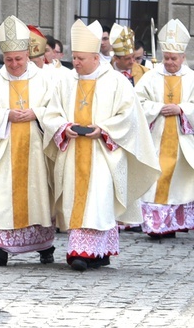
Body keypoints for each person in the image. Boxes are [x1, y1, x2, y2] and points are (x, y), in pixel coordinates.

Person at [42, 20, 159, 272]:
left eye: (81, 58)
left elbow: (128, 117)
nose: (75, 62)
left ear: (96, 57)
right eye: (74, 57)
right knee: (77, 201)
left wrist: (103, 130)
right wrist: (64, 127)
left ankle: (85, 253)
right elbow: (51, 114)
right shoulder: (65, 82)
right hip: (72, 151)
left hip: (103, 153)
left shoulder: (116, 82)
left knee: (98, 201)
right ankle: (86, 251)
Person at [0, 16, 55, 267]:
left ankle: (44, 245)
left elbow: (56, 110)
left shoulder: (44, 79)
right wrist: (5, 115)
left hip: (35, 148)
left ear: (27, 55)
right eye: (9, 60)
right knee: (0, 195)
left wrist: (37, 114)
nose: (14, 64)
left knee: (38, 194)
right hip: (4, 147)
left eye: (18, 59)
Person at [136, 19, 194, 239]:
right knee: (155, 182)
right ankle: (154, 227)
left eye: (174, 59)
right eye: (166, 58)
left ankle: (170, 225)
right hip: (155, 140)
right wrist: (159, 108)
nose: (169, 62)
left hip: (182, 143)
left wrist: (181, 108)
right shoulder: (150, 77)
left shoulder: (191, 78)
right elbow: (137, 104)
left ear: (183, 58)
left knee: (179, 184)